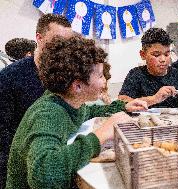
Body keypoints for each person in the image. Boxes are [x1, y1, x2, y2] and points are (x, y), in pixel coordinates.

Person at [5, 36, 147, 189]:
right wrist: (100, 135)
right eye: (100, 76)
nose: (104, 81)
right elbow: (43, 175)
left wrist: (122, 107)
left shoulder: (68, 101)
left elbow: (88, 111)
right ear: (78, 86)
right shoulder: (48, 113)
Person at [0, 13, 73, 188]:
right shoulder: (10, 78)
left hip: (56, 153)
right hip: (20, 164)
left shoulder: (65, 74)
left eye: (67, 43)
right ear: (39, 38)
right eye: (57, 41)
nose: (63, 49)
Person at [118, 28, 178, 108]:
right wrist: (154, 99)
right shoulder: (136, 74)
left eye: (166, 54)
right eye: (156, 55)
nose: (163, 60)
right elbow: (122, 101)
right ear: (143, 55)